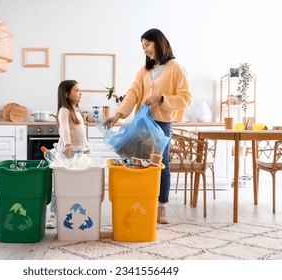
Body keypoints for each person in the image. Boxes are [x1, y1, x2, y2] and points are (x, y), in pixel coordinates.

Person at [106, 28, 192, 224]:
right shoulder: (144, 70)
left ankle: (161, 207)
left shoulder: (176, 68)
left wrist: (161, 98)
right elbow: (133, 92)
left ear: (159, 42)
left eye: (148, 44)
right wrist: (118, 115)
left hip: (161, 123)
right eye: (143, 46)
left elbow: (185, 98)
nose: (145, 49)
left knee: (161, 164)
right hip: (142, 123)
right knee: (138, 163)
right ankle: (141, 201)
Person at [46, 80, 90, 229]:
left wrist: (86, 146)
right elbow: (64, 129)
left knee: (76, 183)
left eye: (80, 90)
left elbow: (82, 133)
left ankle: (72, 211)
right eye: (77, 90)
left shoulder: (76, 110)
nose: (80, 93)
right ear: (67, 94)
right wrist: (68, 144)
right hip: (67, 152)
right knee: (59, 184)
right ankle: (52, 215)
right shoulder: (64, 110)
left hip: (78, 151)